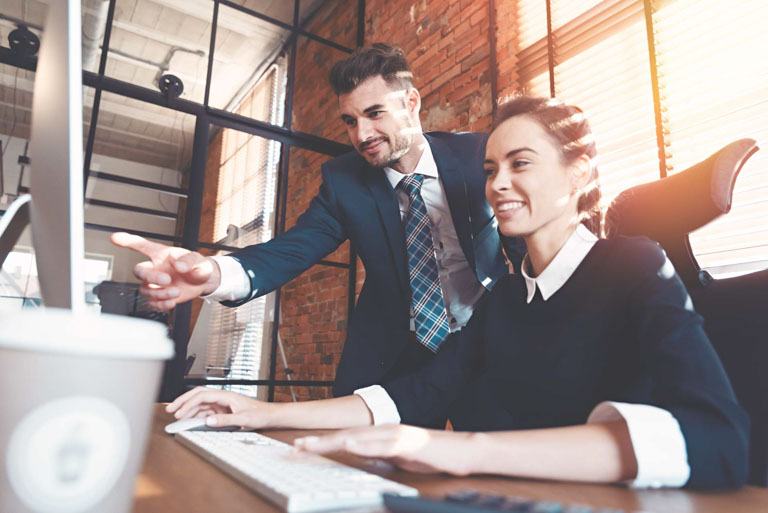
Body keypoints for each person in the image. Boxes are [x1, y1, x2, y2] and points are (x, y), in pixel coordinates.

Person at [165, 95, 749, 489]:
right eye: (491, 168)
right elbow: (412, 394)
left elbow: (719, 440)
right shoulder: (503, 302)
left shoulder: (635, 264)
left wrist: (464, 450)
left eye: (521, 164)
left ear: (581, 175)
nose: (497, 184)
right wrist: (259, 413)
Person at [112, 43, 523, 406]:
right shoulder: (345, 183)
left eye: (375, 113)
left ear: (411, 102)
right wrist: (211, 273)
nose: (363, 134)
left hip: (484, 340)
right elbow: (290, 250)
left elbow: (527, 243)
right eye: (350, 120)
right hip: (395, 356)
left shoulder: (478, 155)